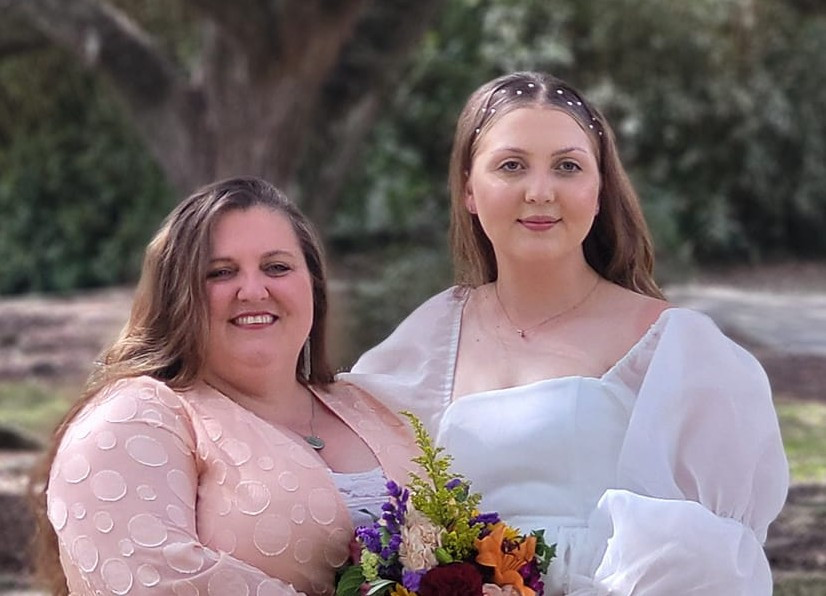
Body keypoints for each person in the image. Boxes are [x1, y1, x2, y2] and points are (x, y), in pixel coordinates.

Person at [340, 72, 788, 594]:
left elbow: (707, 555)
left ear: (599, 191)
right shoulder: (431, 334)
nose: (540, 192)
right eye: (511, 166)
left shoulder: (675, 349)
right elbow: (353, 466)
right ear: (468, 189)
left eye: (567, 167)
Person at [30, 177, 419, 596]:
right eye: (220, 273)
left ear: (314, 285)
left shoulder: (369, 406)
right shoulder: (137, 417)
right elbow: (149, 580)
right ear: (177, 296)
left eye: (277, 267)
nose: (253, 290)